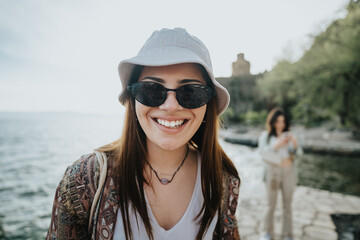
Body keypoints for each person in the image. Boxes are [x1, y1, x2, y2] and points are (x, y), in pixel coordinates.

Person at [46, 27, 241, 240]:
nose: (170, 105)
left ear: (208, 104)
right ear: (134, 99)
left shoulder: (223, 180)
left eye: (190, 92)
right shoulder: (83, 180)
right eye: (152, 90)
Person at [258, 107, 303, 240]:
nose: (280, 124)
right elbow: (262, 153)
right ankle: (266, 232)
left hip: (288, 171)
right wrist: (277, 145)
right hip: (272, 172)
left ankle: (288, 234)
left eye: (283, 121)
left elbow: (299, 155)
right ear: (272, 122)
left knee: (287, 206)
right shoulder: (266, 136)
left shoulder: (291, 136)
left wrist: (294, 146)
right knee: (270, 204)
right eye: (277, 121)